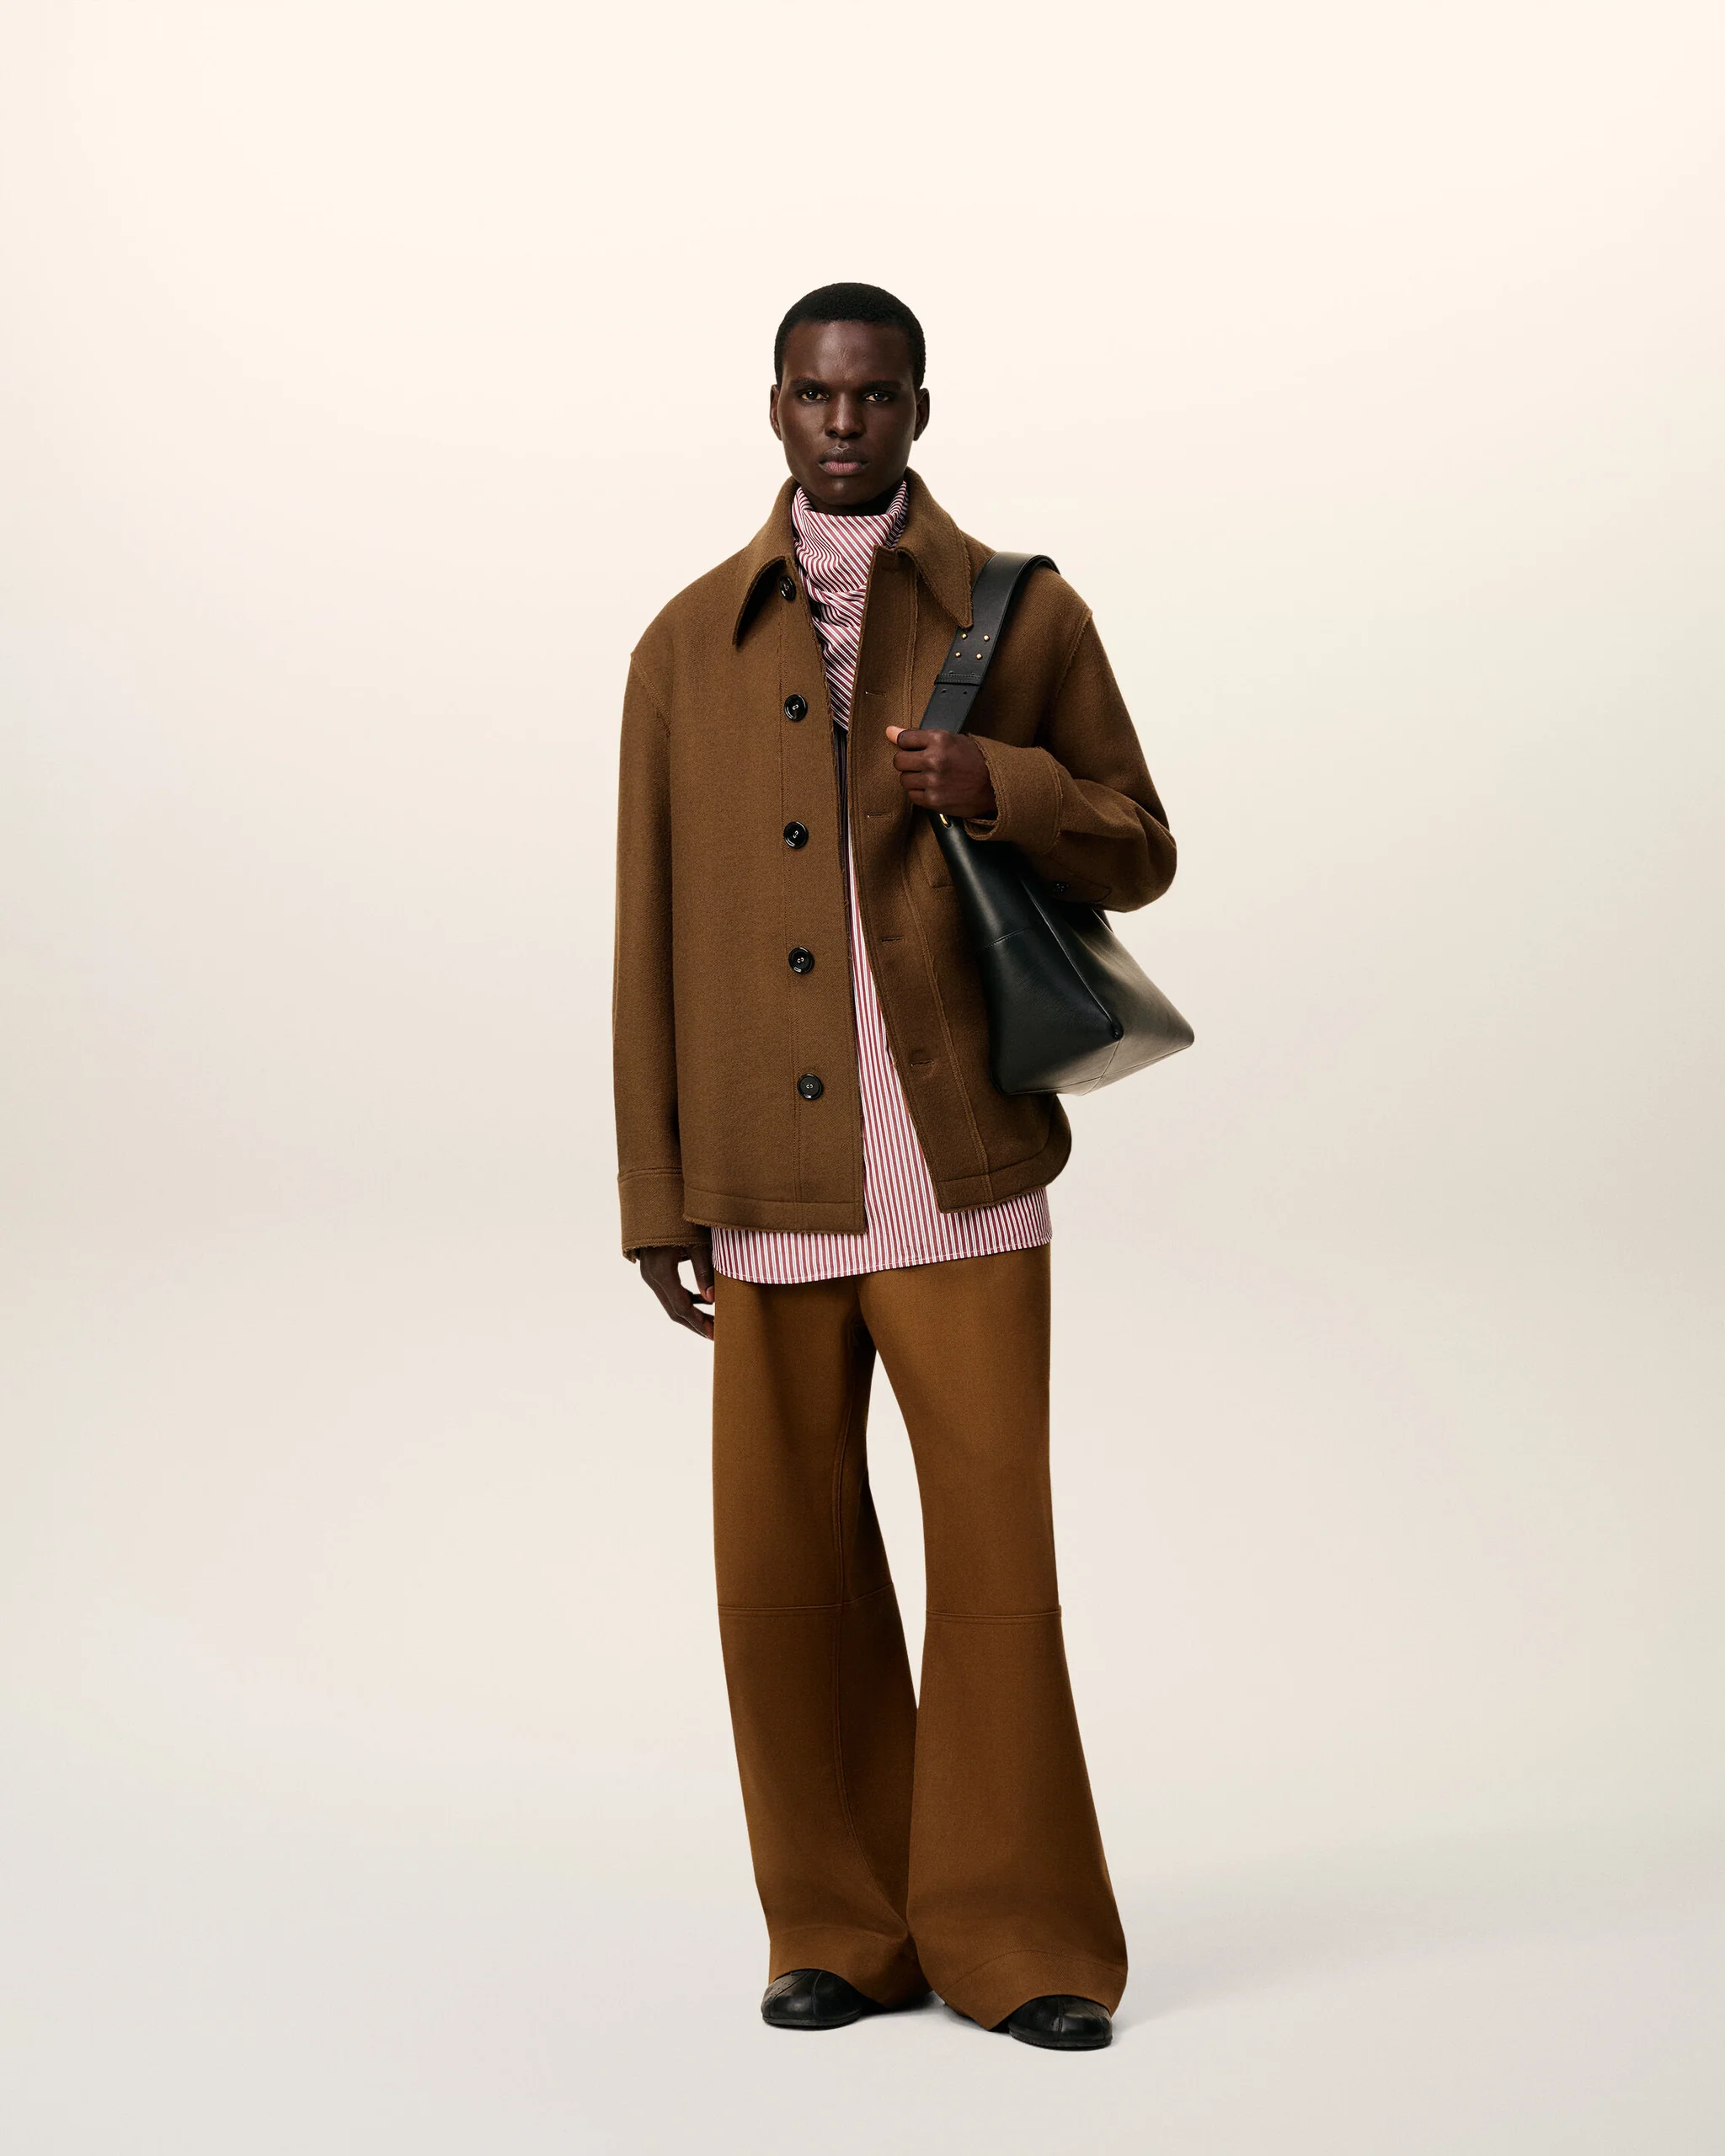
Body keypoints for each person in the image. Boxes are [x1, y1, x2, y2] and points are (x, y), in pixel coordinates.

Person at [611, 282, 1176, 2052]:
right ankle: (841, 1927)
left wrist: (996, 779)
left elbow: (1141, 844)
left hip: (963, 1173)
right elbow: (646, 937)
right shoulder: (682, 647)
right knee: (787, 1576)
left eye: (873, 396)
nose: (842, 423)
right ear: (773, 406)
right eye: (813, 394)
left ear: (920, 407)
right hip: (766, 1180)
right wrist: (655, 1193)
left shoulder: (1025, 609)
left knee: (995, 1565)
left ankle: (1022, 1936)